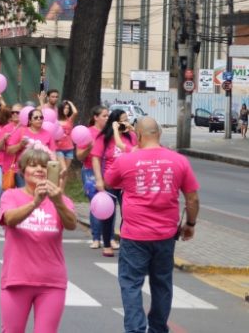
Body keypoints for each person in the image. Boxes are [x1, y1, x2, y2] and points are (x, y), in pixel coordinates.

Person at [105, 117, 199, 333]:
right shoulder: (179, 161)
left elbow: (109, 181)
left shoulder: (126, 160)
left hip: (134, 236)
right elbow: (192, 198)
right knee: (162, 283)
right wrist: (190, 223)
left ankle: (135, 329)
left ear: (137, 135)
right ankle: (158, 328)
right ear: (160, 134)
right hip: (165, 236)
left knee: (131, 283)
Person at [0, 148, 77, 333]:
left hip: (51, 282)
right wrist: (35, 203)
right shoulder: (11, 196)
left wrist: (57, 201)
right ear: (23, 170)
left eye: (44, 166)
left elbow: (71, 224)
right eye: (33, 165)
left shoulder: (61, 200)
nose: (39, 170)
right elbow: (9, 219)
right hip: (17, 280)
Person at [92, 107, 137, 257]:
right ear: (115, 123)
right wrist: (99, 179)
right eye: (122, 121)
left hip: (127, 183)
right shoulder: (104, 137)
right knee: (108, 215)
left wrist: (133, 129)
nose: (125, 123)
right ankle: (107, 244)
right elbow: (96, 158)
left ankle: (125, 244)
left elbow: (141, 149)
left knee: (128, 215)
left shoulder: (131, 136)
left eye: (127, 120)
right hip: (110, 181)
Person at [77, 105, 110, 249]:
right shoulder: (87, 133)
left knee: (109, 203)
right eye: (104, 116)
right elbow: (79, 156)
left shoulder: (110, 132)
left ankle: (108, 237)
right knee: (96, 203)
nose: (107, 118)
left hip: (108, 170)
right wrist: (89, 148)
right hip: (90, 170)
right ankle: (96, 237)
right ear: (95, 117)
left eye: (108, 115)